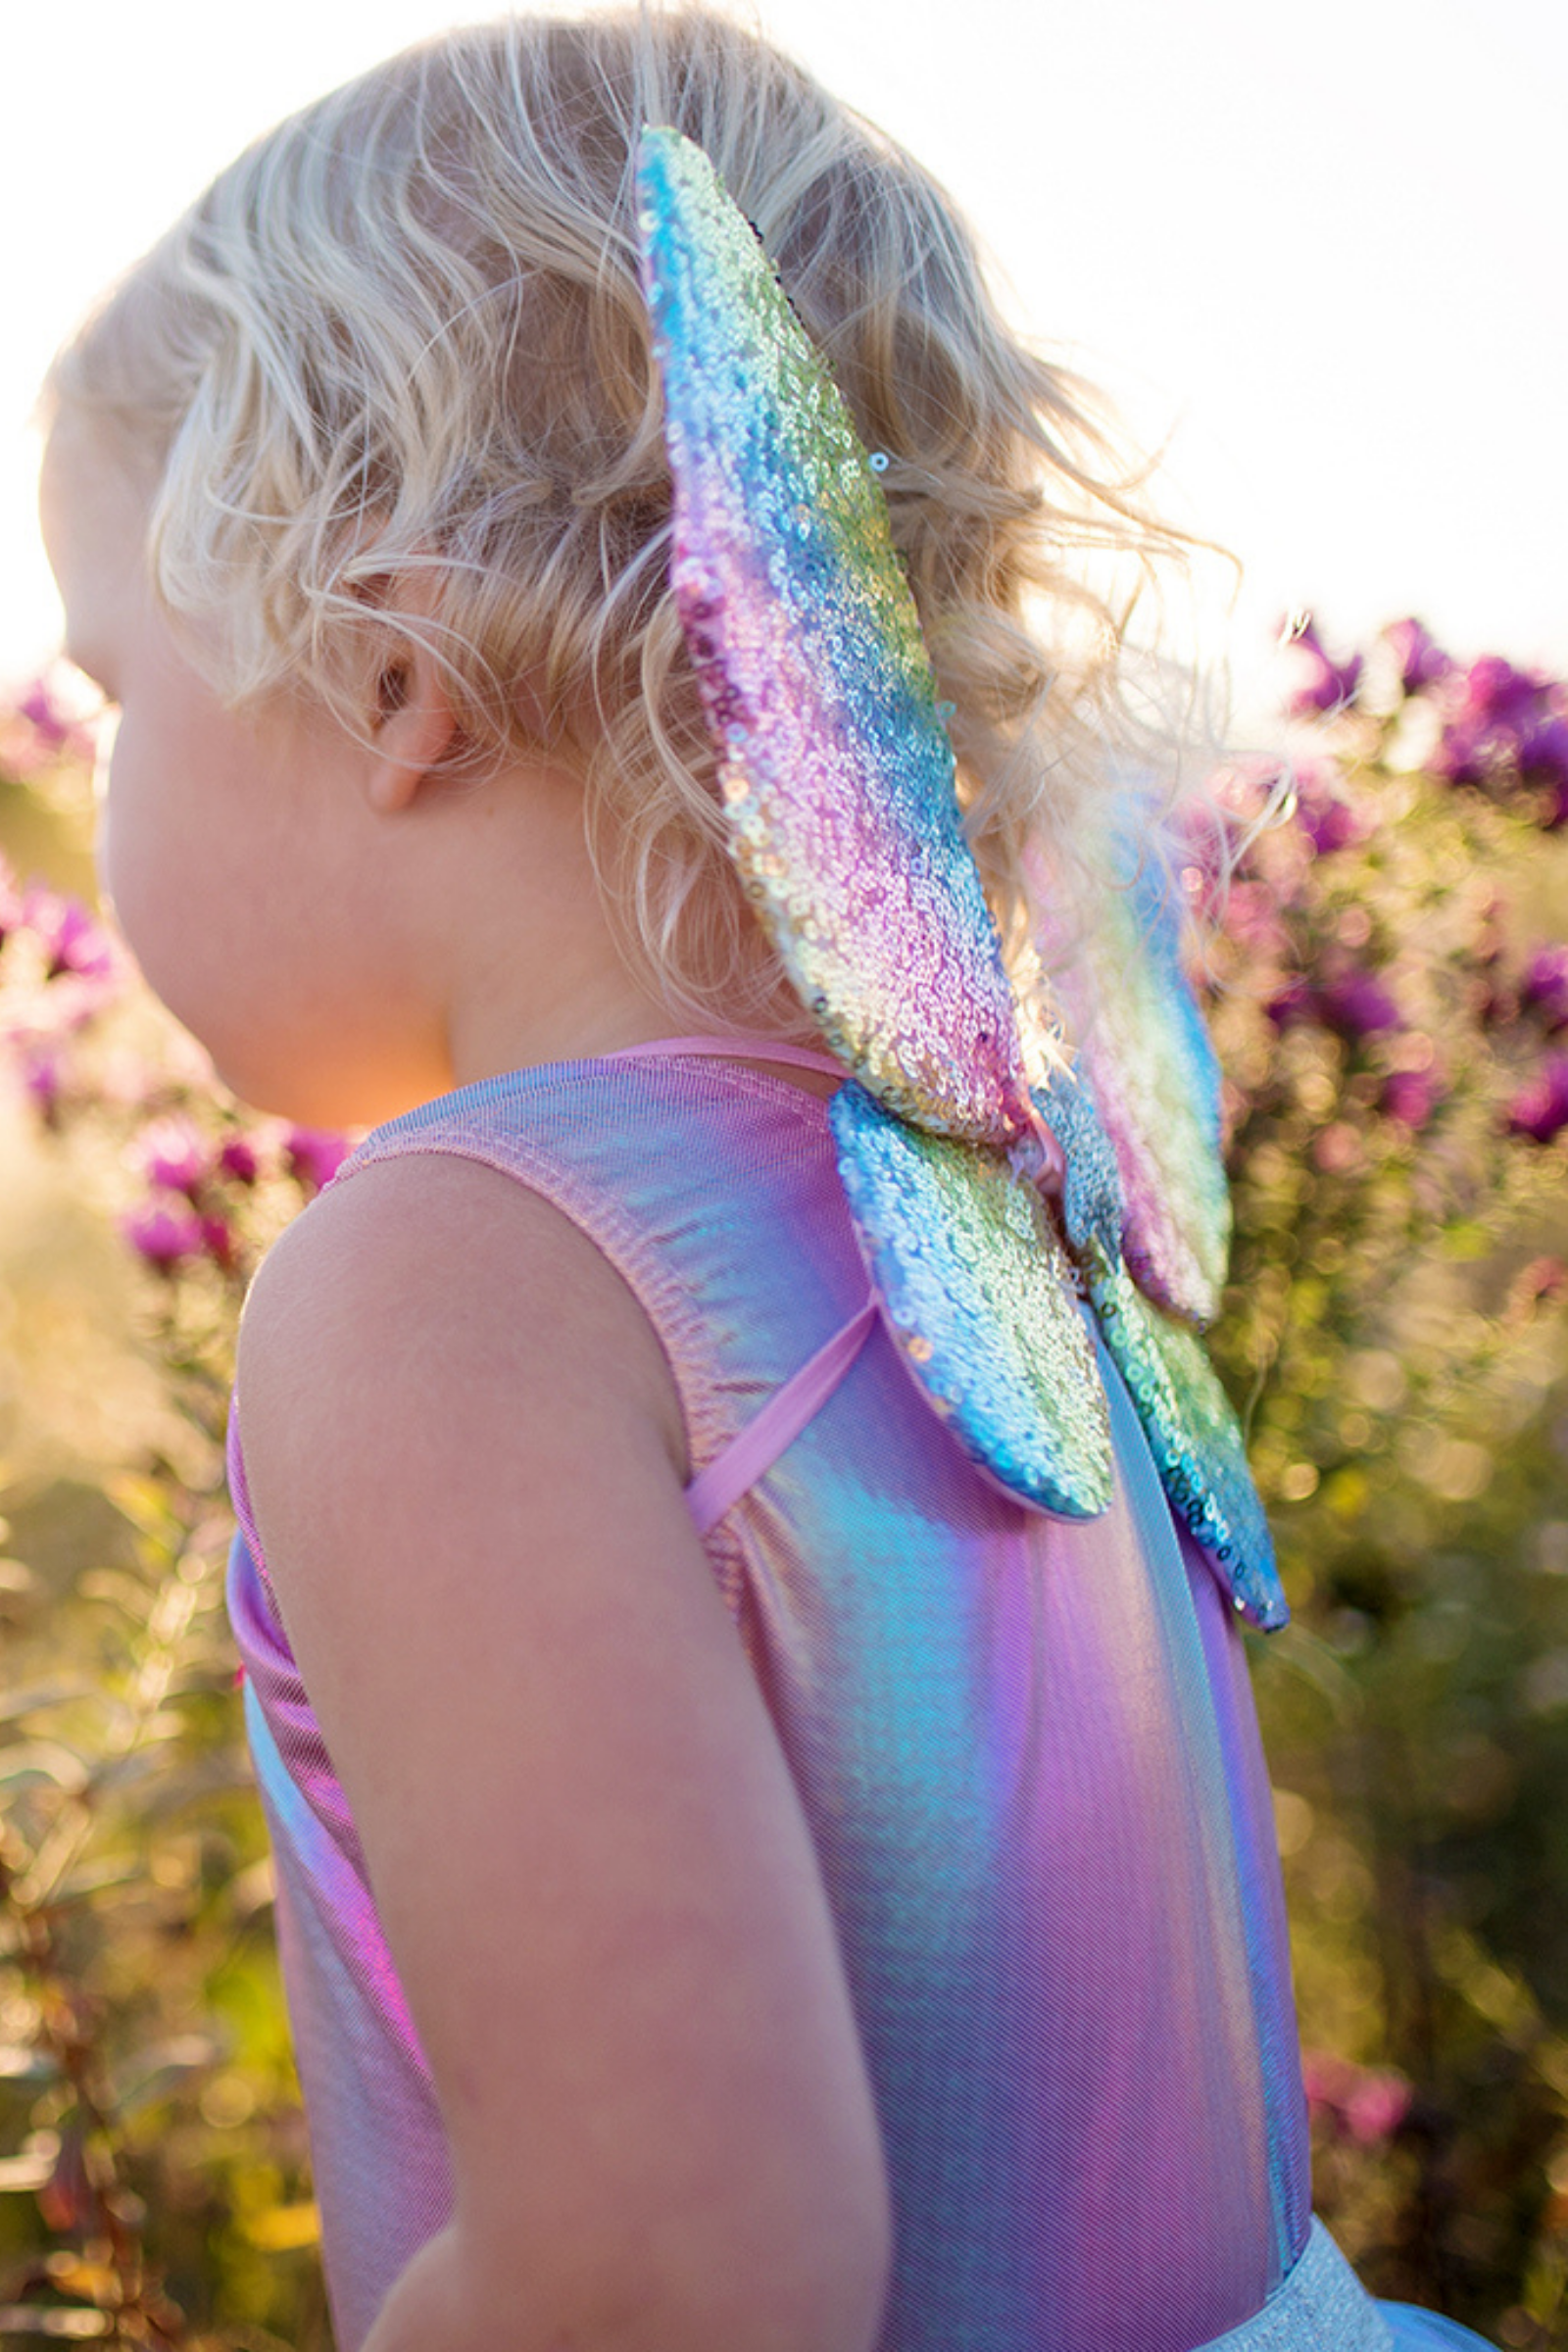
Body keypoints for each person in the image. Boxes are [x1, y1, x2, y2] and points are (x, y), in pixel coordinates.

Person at [36, 9, 1495, 2348]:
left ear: (392, 676)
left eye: (115, 696)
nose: (99, 791)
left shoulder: (460, 1274)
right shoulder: (990, 1202)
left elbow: (674, 2273)